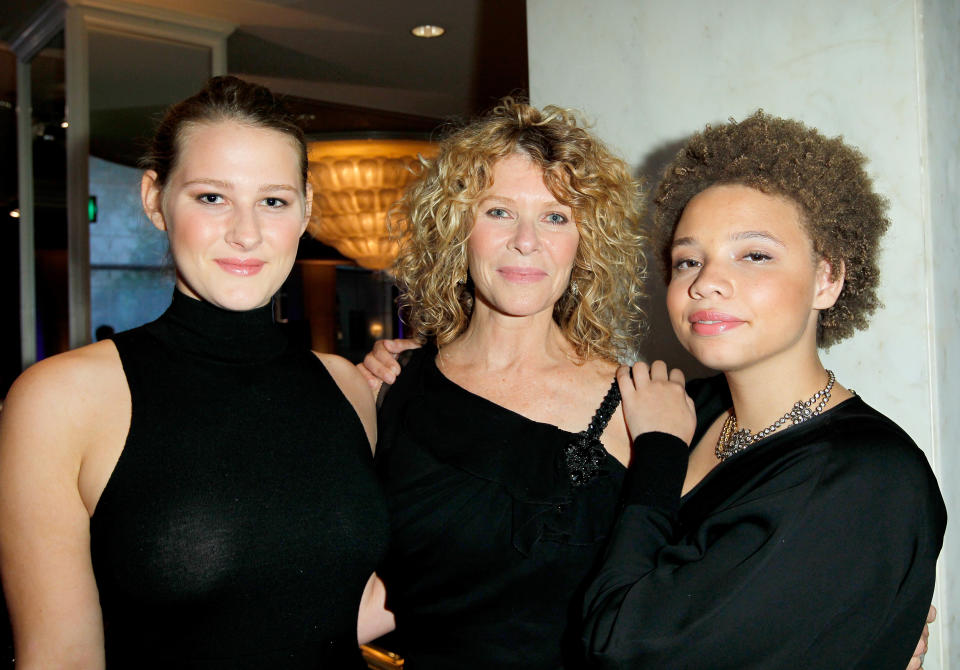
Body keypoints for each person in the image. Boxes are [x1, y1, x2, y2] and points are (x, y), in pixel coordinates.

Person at [0, 76, 388, 668]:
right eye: (212, 197)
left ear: (307, 206)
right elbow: (61, 657)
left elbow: (336, 605)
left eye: (274, 200)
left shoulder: (346, 385)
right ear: (155, 200)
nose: (246, 232)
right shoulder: (61, 399)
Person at [582, 112, 947, 669]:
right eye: (688, 261)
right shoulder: (682, 404)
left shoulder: (862, 475)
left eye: (754, 254)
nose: (705, 282)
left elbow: (619, 648)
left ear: (828, 279)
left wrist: (657, 455)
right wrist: (411, 368)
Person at [357, 98, 645, 668]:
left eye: (556, 216)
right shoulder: (389, 388)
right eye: (499, 212)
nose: (526, 240)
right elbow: (373, 593)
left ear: (585, 242)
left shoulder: (641, 405)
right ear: (456, 227)